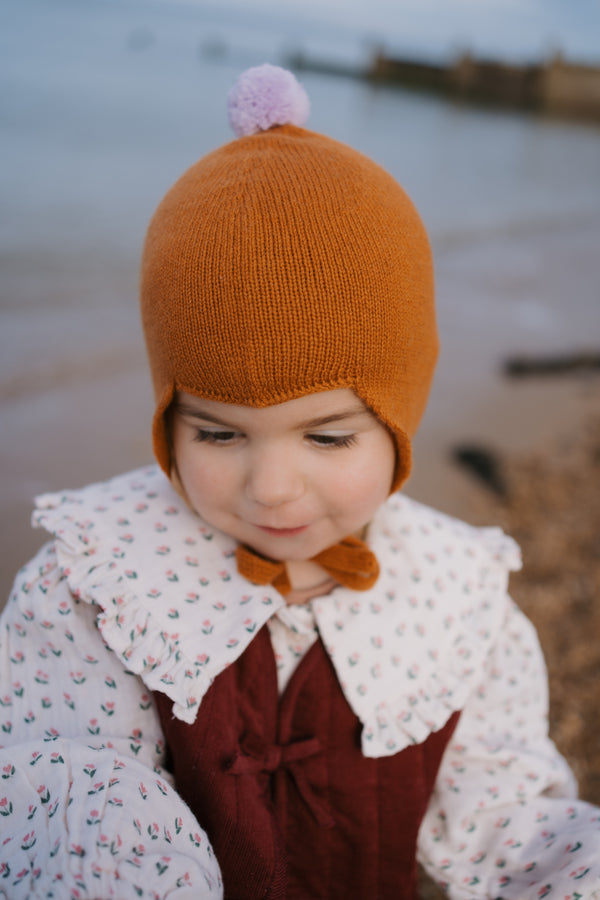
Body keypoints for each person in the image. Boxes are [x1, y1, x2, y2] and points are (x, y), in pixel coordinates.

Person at [0, 63, 598, 900]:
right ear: (168, 418)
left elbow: (512, 823)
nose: (273, 488)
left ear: (400, 420)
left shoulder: (460, 601)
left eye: (327, 435)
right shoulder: (96, 584)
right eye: (217, 432)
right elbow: (77, 797)